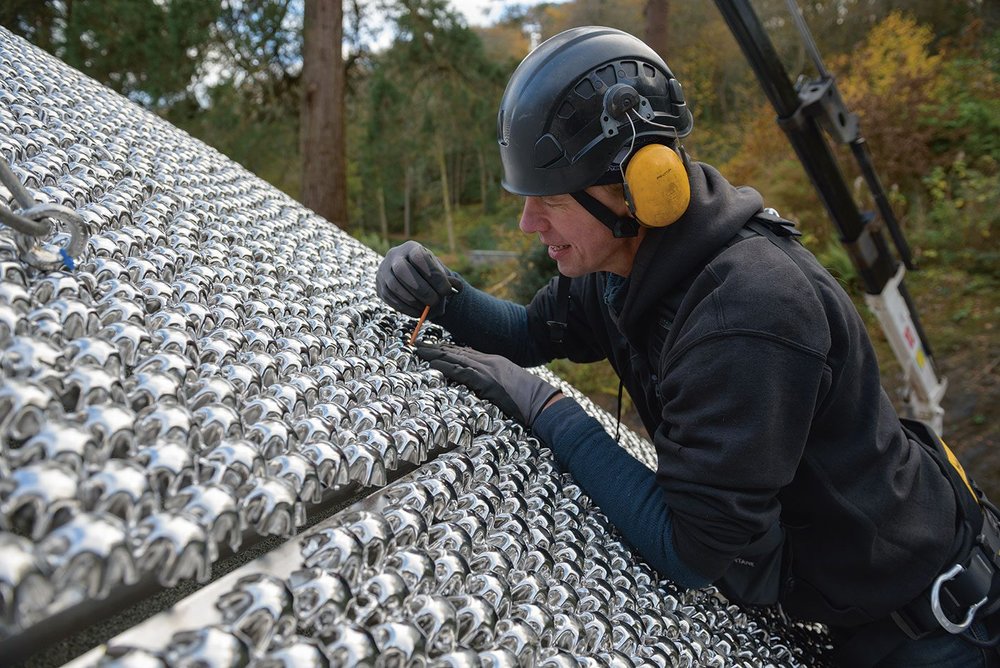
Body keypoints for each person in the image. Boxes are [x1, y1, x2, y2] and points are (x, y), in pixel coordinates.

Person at [376, 26, 1000, 667]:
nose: (528, 224)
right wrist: (440, 295)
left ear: (642, 188)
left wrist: (545, 408)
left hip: (936, 629)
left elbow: (691, 549)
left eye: (551, 201)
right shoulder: (623, 267)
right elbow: (528, 335)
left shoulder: (748, 312)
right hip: (856, 611)